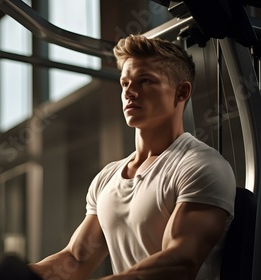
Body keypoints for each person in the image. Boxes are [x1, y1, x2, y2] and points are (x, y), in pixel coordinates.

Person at [28, 35, 236, 280]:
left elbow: (179, 261)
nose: (130, 93)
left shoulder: (200, 165)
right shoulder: (108, 177)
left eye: (145, 81)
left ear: (181, 92)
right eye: (125, 84)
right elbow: (74, 260)